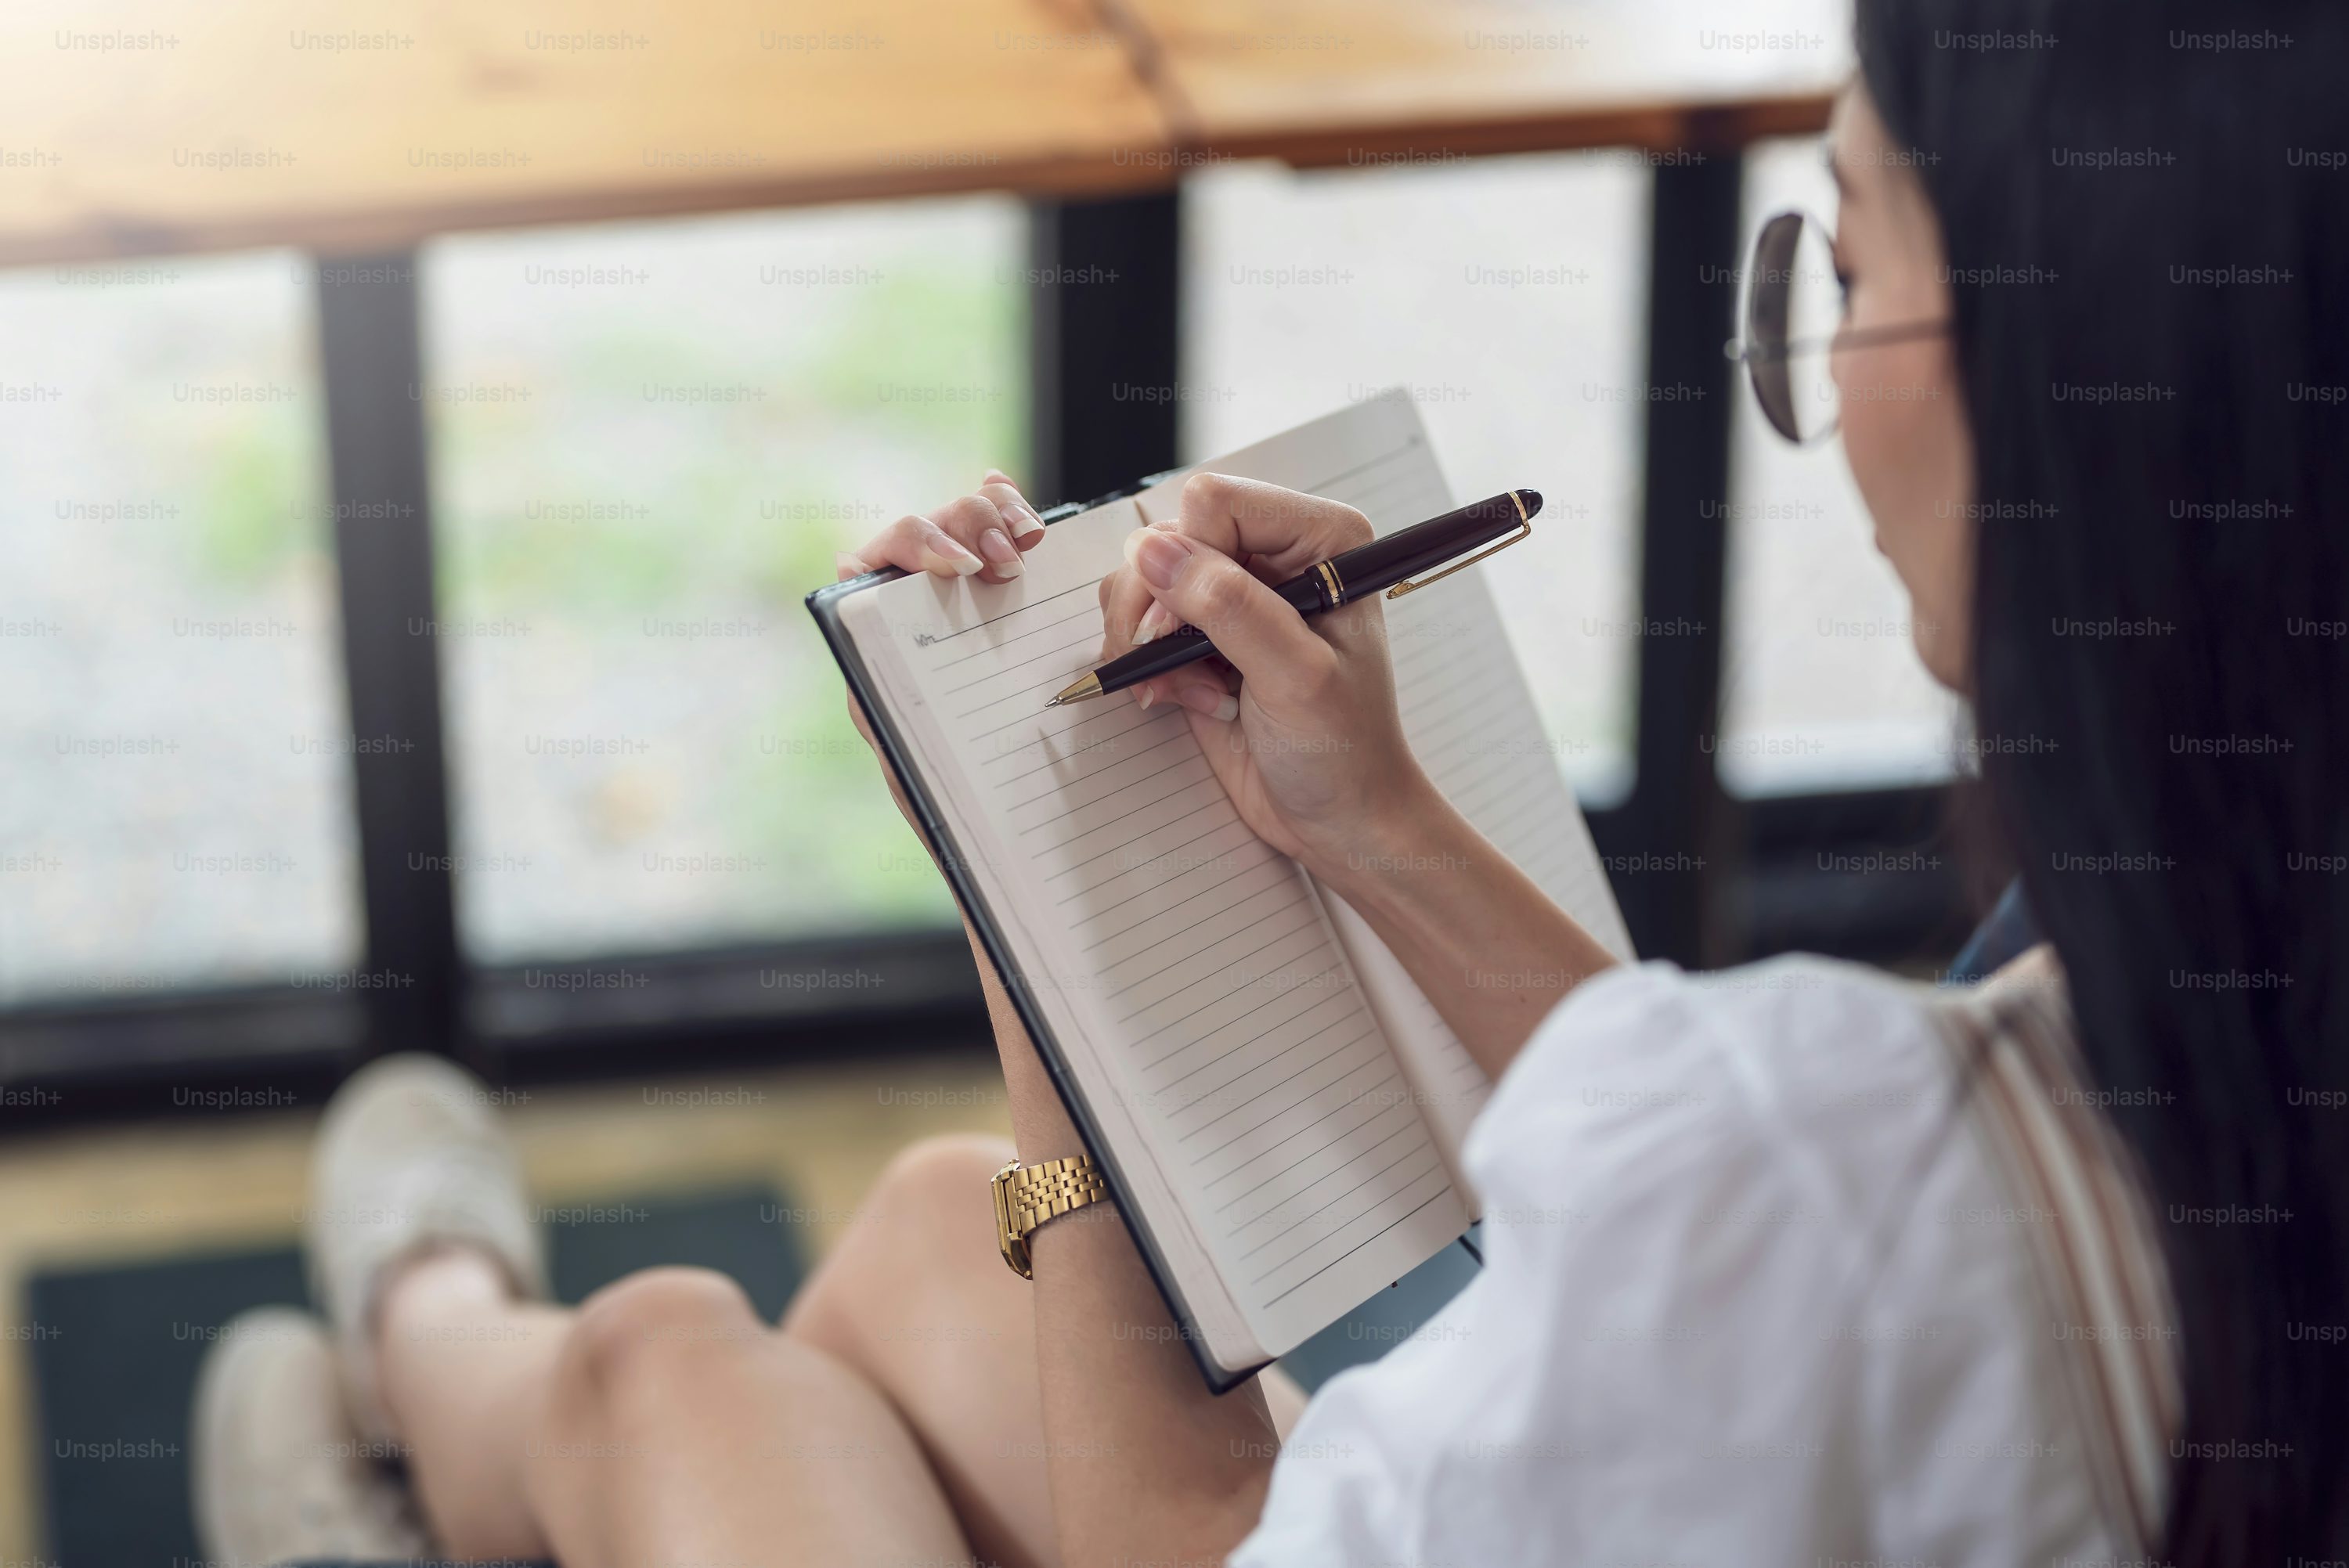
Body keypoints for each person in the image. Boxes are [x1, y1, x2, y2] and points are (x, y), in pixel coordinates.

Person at [193, 2, 2347, 1563]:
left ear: (2072, 377)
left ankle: (403, 1385)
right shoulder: (2203, 1013)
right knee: (960, 1223)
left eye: (1851, 269)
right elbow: (1732, 1168)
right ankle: (432, 1380)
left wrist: (1017, 875)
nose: (1819, 378)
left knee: (676, 1351)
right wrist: (1378, 816)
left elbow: (1191, 1533)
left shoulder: (1880, 1198)